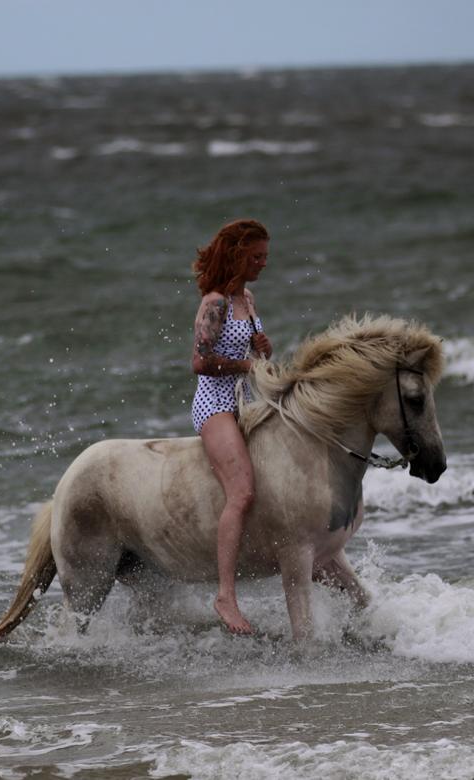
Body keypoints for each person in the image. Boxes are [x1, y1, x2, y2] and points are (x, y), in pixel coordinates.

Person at [190, 218, 273, 635]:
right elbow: (200, 362)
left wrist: (264, 348)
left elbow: (256, 352)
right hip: (215, 404)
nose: (262, 264)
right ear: (239, 254)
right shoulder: (216, 302)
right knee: (241, 493)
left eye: (265, 257)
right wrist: (246, 363)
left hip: (247, 401)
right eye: (256, 257)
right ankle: (225, 595)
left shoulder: (248, 299)